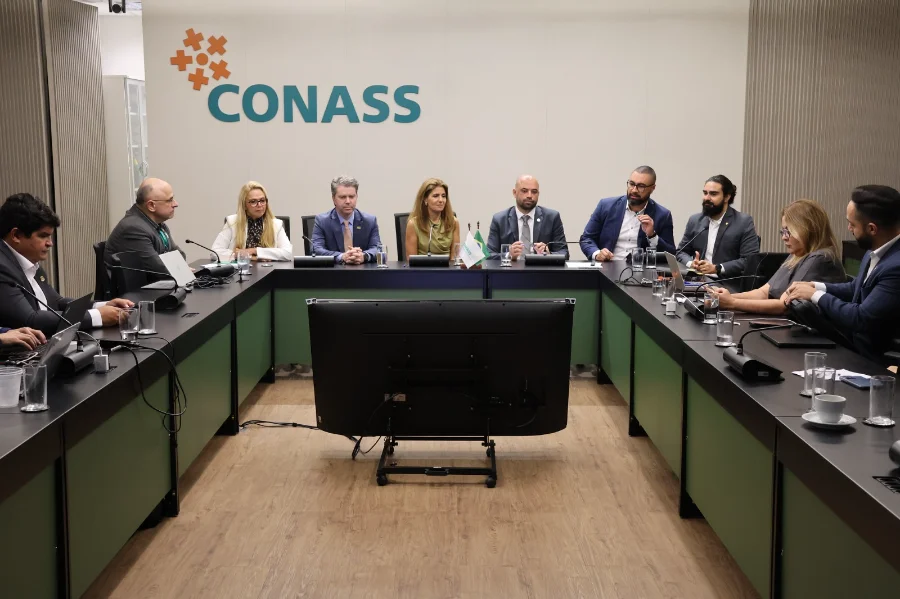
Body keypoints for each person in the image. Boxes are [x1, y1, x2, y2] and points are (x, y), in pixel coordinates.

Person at [784, 185, 900, 361]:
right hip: (852, 345)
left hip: (871, 359)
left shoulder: (896, 267)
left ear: (872, 229)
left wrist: (815, 296)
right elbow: (856, 288)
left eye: (852, 224)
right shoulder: (875, 249)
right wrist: (817, 286)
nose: (848, 228)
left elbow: (861, 318)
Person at [0, 193, 133, 336]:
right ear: (16, 235)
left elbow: (56, 302)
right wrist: (97, 316)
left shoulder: (27, 261)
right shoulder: (3, 268)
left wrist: (101, 305)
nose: (50, 243)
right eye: (43, 236)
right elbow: (31, 320)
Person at [713, 199, 844, 315]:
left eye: (789, 231)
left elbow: (783, 306)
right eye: (783, 231)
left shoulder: (820, 258)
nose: (784, 237)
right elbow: (763, 292)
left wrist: (732, 303)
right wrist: (725, 297)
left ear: (808, 229)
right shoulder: (797, 254)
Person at [579, 166, 676, 261]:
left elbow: (670, 255)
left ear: (652, 188)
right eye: (631, 184)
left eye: (641, 186)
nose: (634, 190)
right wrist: (597, 254)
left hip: (640, 269)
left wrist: (652, 236)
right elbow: (586, 239)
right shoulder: (606, 206)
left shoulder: (663, 215)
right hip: (607, 267)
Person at [675, 175, 759, 278]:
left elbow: (749, 260)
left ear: (727, 197)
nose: (707, 198)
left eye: (713, 194)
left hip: (726, 282)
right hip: (698, 280)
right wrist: (691, 263)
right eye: (705, 193)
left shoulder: (743, 222)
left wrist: (717, 268)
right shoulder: (695, 220)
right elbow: (681, 252)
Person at [105, 177, 184, 281]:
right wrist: (180, 270)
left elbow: (180, 256)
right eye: (169, 200)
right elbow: (160, 270)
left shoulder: (158, 224)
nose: (175, 204)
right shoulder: (133, 228)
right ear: (151, 205)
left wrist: (179, 268)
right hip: (136, 290)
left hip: (155, 285)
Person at [487, 175, 569, 260]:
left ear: (538, 194)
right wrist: (508, 255)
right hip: (512, 268)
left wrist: (549, 254)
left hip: (540, 268)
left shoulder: (552, 218)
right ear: (514, 193)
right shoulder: (500, 220)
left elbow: (565, 253)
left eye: (534, 192)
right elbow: (489, 255)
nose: (529, 195)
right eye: (524, 191)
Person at [211, 181, 292, 261]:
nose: (259, 205)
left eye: (262, 200)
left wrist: (253, 251)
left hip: (270, 268)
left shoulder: (276, 224)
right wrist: (249, 257)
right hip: (242, 269)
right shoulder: (232, 222)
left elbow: (287, 253)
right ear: (244, 205)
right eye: (253, 201)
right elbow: (214, 252)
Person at [311, 176, 382, 264]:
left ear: (356, 197)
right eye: (342, 197)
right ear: (333, 199)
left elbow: (377, 248)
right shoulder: (322, 221)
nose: (348, 201)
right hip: (334, 271)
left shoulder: (369, 221)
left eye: (351, 197)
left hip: (362, 270)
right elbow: (316, 249)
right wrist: (342, 257)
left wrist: (363, 256)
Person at [405, 178, 460, 259]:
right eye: (435, 196)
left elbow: (455, 258)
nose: (441, 200)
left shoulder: (453, 222)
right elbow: (411, 260)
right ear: (425, 199)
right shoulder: (413, 224)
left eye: (443, 196)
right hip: (422, 267)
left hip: (448, 267)